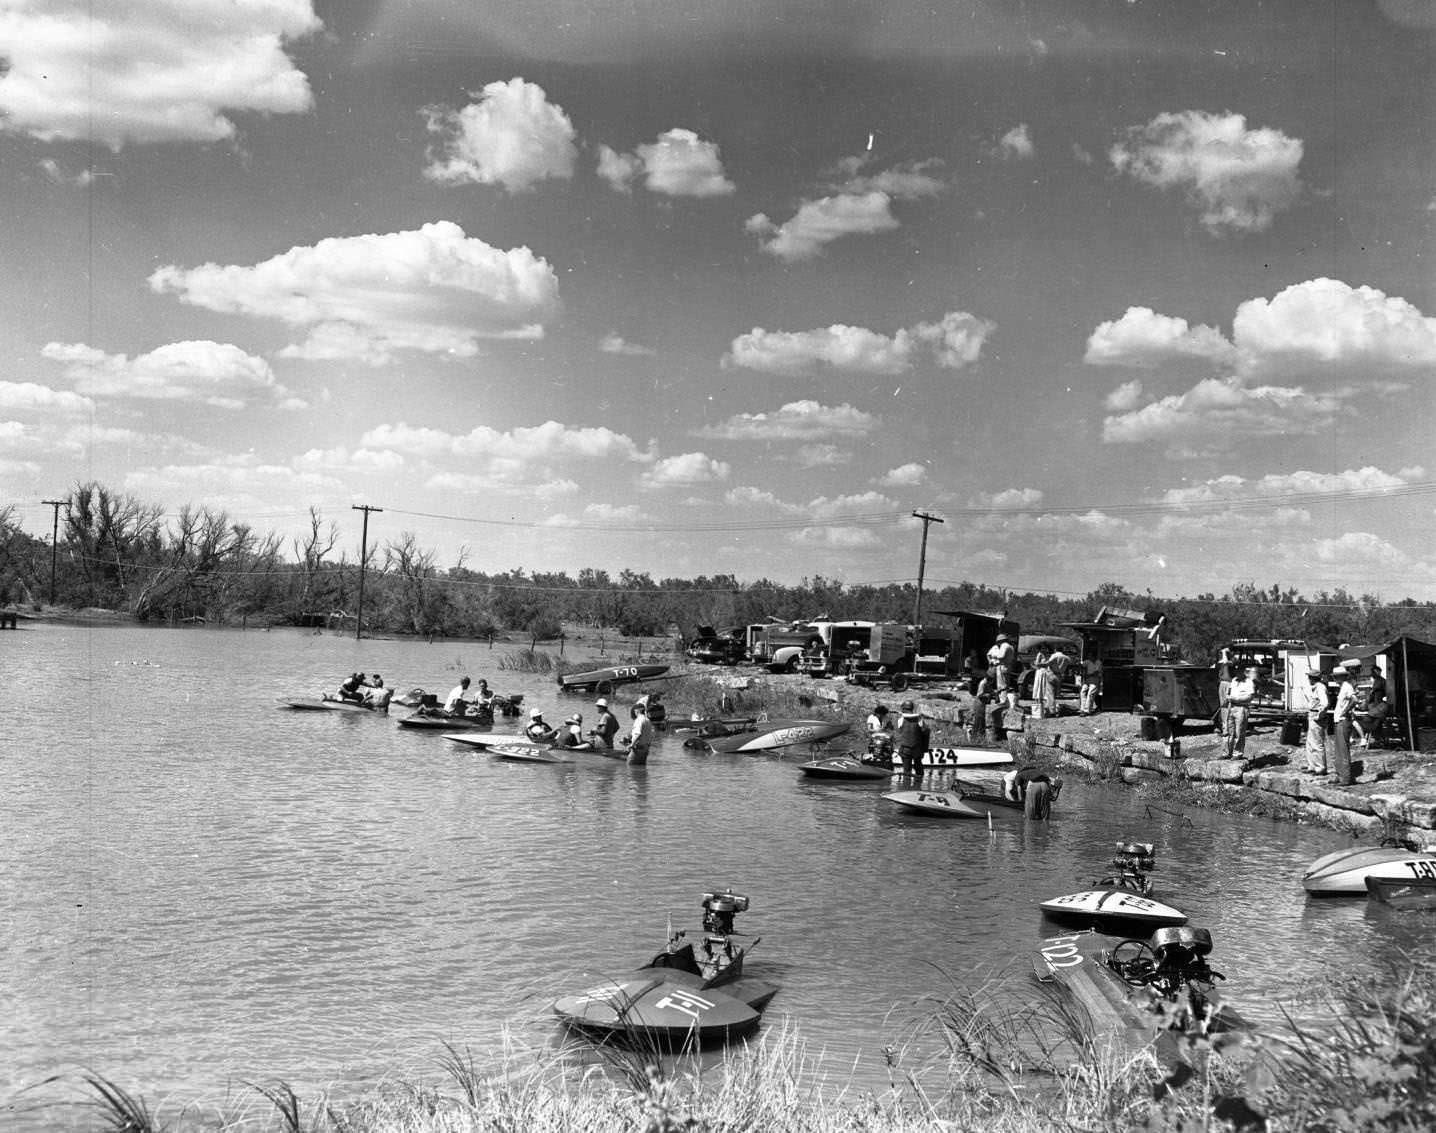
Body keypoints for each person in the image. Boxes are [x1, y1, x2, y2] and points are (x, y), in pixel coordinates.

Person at [1332, 661, 1359, 785]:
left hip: (1343, 720)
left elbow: (1354, 700)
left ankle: (1346, 777)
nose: (1336, 679)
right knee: (1338, 749)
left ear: (1343, 676)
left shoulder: (1347, 686)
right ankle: (1340, 774)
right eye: (1335, 677)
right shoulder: (1343, 687)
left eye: (1337, 677)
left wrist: (1345, 711)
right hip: (1339, 720)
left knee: (1343, 749)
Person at [893, 700, 930, 777]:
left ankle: (906, 787)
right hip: (917, 750)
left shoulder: (901, 720)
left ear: (904, 709)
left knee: (906, 772)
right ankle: (919, 786)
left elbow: (899, 731)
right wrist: (924, 749)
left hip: (905, 750)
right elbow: (925, 732)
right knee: (919, 770)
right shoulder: (919, 720)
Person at [1226, 666, 1257, 757]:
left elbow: (1250, 697)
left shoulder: (1248, 682)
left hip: (1241, 708)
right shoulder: (1234, 680)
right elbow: (1230, 691)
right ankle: (1228, 752)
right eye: (1236, 670)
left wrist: (1237, 699)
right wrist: (1228, 696)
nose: (1237, 672)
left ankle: (1237, 753)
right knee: (1229, 731)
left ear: (1243, 671)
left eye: (1239, 670)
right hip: (1231, 707)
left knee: (1239, 732)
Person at [1303, 667, 1329, 775]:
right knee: (1310, 742)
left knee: (1317, 742)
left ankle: (1320, 767)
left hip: (1316, 715)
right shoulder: (1315, 687)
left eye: (1309, 677)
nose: (1308, 679)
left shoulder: (1320, 688)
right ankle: (1312, 765)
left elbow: (1325, 703)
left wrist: (1320, 715)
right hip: (1312, 713)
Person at [987, 634, 1018, 713]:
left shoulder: (1004, 646)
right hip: (1007, 666)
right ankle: (1005, 701)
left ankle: (1003, 701)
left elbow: (1001, 656)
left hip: (1002, 666)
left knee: (1001, 685)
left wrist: (994, 656)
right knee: (1006, 684)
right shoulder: (1010, 646)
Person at [1364, 667, 1390, 748]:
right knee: (1377, 722)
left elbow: (1375, 693)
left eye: (1373, 672)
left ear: (1377, 672)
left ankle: (1378, 738)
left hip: (1378, 706)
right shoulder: (1378, 681)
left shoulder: (1380, 681)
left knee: (1373, 721)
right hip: (1375, 705)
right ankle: (1378, 739)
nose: (1372, 674)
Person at [1046, 645, 1070, 716]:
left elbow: (1049, 663)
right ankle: (1055, 708)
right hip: (1059, 675)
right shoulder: (1066, 657)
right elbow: (1071, 662)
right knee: (1056, 693)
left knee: (1050, 693)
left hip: (1051, 674)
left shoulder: (1054, 656)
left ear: (1055, 650)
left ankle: (1052, 711)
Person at [1030, 646, 1052, 718]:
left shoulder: (1046, 655)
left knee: (1044, 687)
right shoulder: (1040, 654)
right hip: (1041, 671)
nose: (1045, 649)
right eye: (1043, 648)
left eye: (1045, 648)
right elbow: (1037, 664)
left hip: (1045, 672)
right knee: (1039, 686)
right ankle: (1038, 704)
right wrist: (1046, 663)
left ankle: (1043, 705)